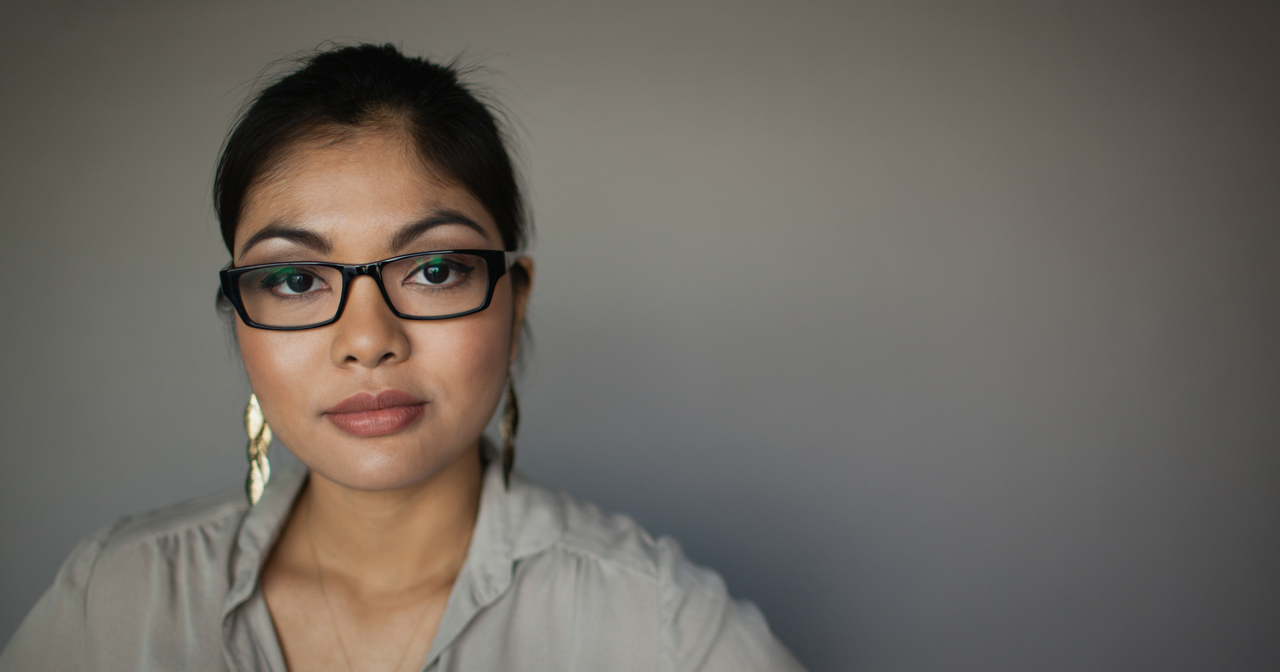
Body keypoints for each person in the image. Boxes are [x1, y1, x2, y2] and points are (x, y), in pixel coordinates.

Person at [0, 43, 804, 671]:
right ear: (238, 320)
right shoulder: (113, 601)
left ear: (515, 296)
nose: (368, 338)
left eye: (435, 269)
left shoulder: (655, 626)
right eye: (293, 279)